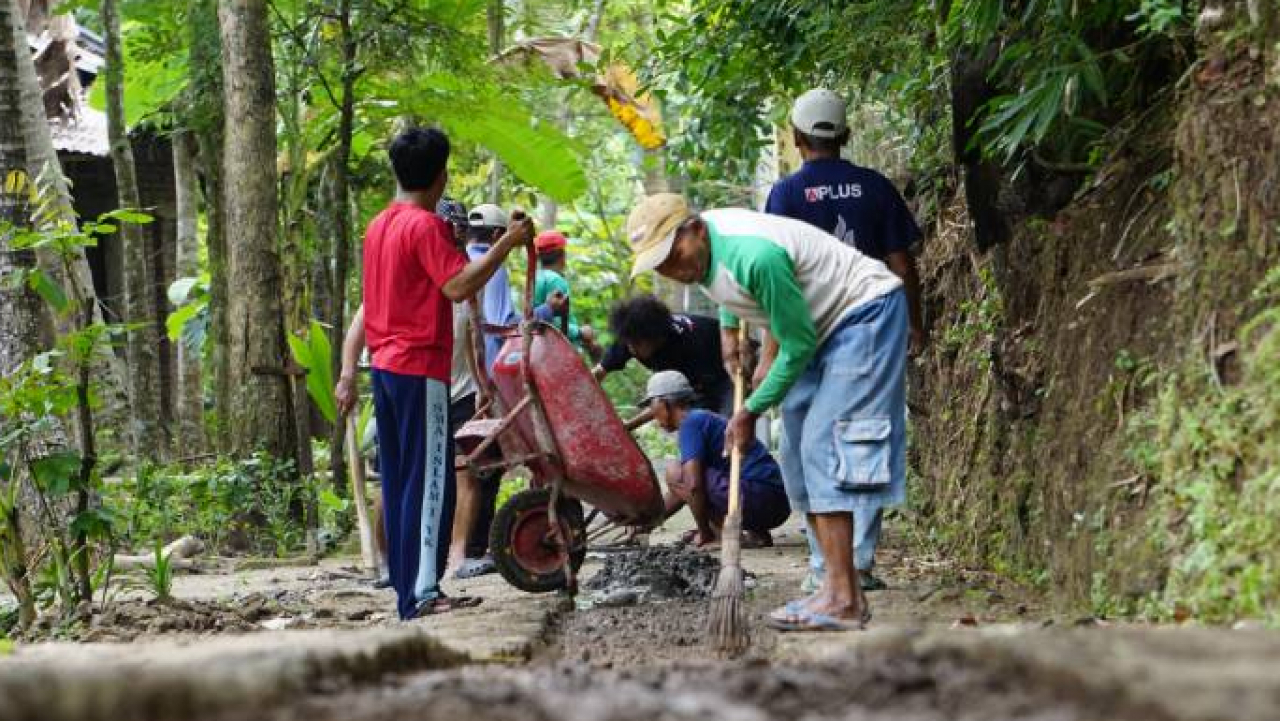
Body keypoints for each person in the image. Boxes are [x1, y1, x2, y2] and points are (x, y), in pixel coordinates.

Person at [626, 193, 907, 632]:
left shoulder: (755, 256)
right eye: (658, 264)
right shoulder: (703, 254)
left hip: (862, 313)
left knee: (823, 445)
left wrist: (751, 410)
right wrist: (728, 332)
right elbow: (729, 290)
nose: (671, 270)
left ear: (695, 230)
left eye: (672, 255)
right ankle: (835, 586)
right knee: (795, 456)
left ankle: (845, 598)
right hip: (819, 324)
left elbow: (796, 344)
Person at [334, 126, 533, 620]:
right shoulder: (422, 226)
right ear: (440, 177)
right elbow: (457, 283)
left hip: (384, 368)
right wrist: (507, 243)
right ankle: (421, 592)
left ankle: (408, 587)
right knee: (430, 483)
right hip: (420, 367)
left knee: (401, 479)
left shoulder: (379, 224)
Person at [764, 88, 925, 593]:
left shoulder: (786, 195)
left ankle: (822, 567)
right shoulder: (875, 187)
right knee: (863, 436)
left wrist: (769, 349)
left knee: (805, 441)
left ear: (796, 137)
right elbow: (903, 265)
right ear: (846, 135)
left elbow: (775, 276)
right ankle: (858, 561)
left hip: (805, 334)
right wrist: (916, 323)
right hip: (867, 330)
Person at [644, 370, 789, 548]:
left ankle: (718, 534)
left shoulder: (691, 423)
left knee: (677, 473)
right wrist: (646, 523)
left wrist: (705, 532)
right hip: (775, 502)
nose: (652, 413)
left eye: (651, 405)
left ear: (663, 403)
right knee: (683, 475)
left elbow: (693, 486)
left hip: (760, 498)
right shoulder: (701, 418)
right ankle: (756, 534)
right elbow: (680, 492)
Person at [593, 295, 733, 416]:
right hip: (699, 382)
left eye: (636, 344)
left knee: (724, 427)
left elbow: (672, 403)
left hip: (725, 371)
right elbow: (598, 373)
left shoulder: (688, 345)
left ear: (657, 339)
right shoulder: (630, 335)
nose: (631, 349)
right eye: (629, 343)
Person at [531, 229, 601, 358]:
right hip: (556, 351)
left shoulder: (535, 277)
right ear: (562, 255)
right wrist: (580, 332)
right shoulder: (555, 280)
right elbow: (555, 323)